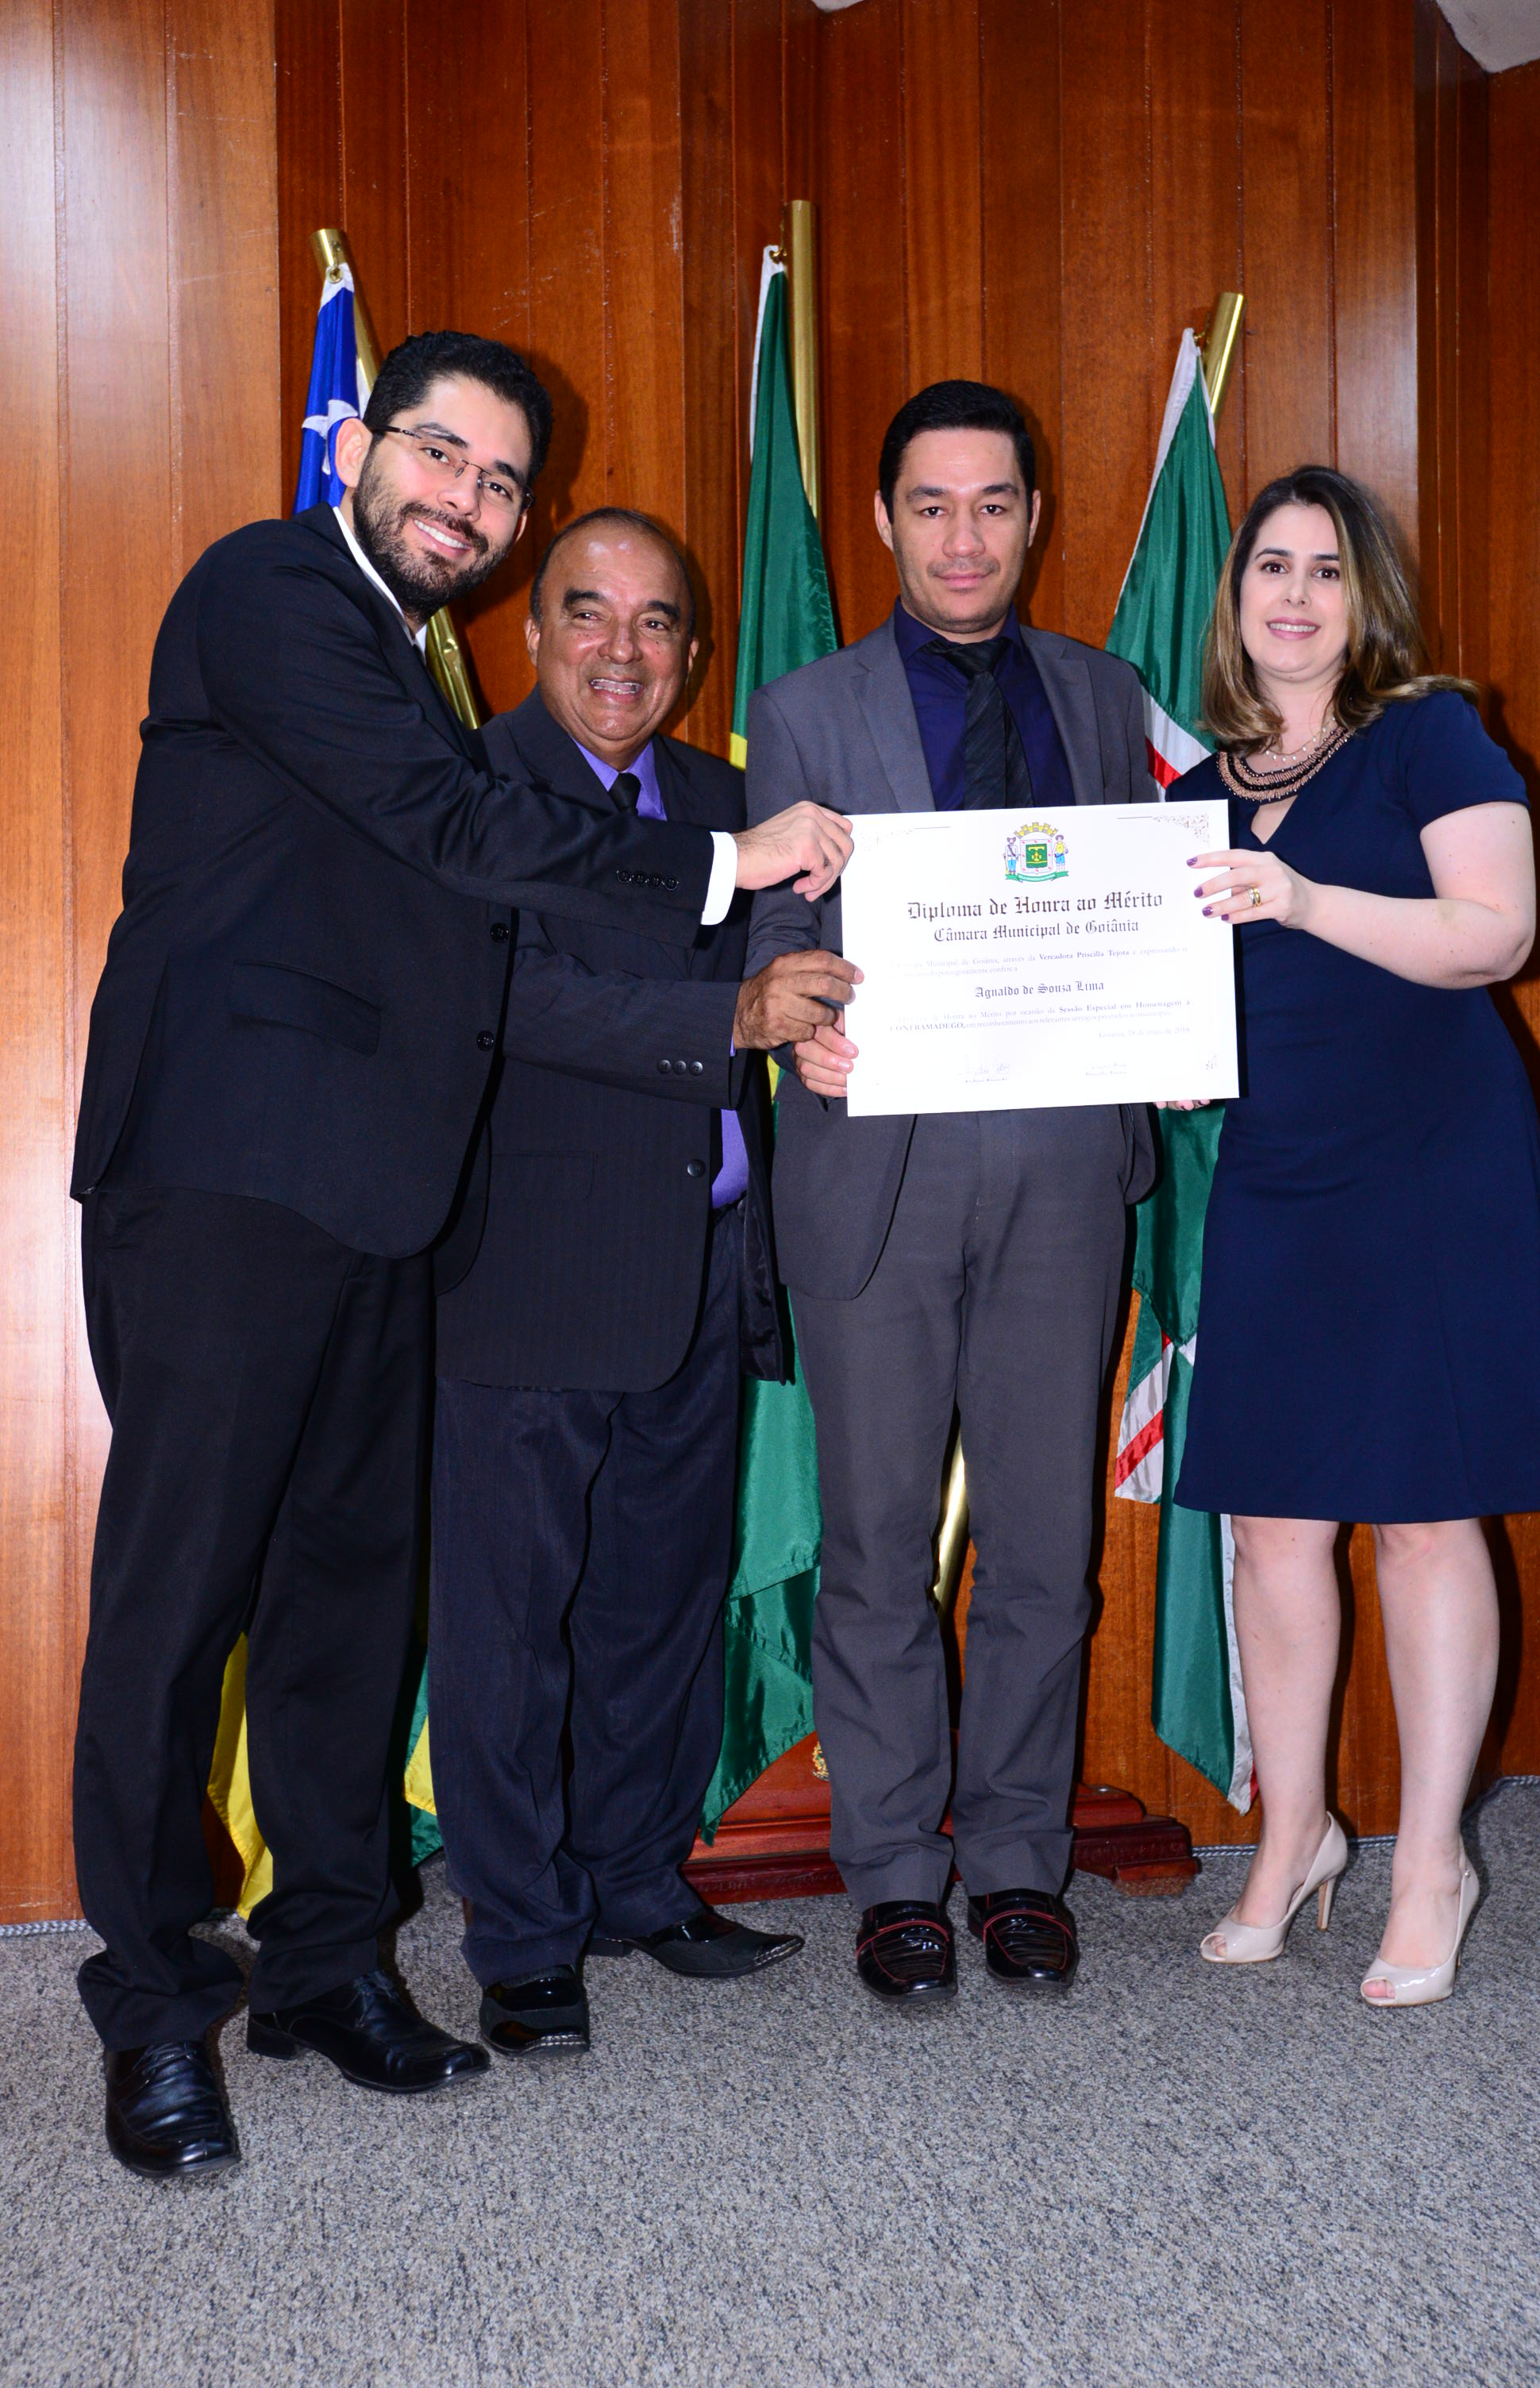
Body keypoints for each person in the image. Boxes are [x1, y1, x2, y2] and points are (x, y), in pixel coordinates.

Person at [71, 330, 850, 2180]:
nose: (467, 501)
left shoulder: (412, 669)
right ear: (354, 439)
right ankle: (156, 2004)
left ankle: (328, 1963)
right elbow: (454, 834)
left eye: (500, 480)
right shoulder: (270, 591)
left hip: (383, 1202)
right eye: (441, 455)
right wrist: (724, 865)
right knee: (179, 1604)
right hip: (225, 1177)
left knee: (346, 1603)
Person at [744, 379, 1157, 2007]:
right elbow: (774, 933)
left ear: (1034, 518)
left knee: (1046, 1540)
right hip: (880, 1165)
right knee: (874, 1542)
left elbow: (1136, 916)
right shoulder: (801, 707)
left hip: (1062, 1163)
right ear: (882, 520)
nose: (963, 537)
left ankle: (1016, 1859)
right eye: (931, 505)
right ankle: (893, 1876)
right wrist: (797, 1023)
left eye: (992, 504)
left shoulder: (1103, 693)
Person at [429, 510, 857, 2056]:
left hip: (708, 1266)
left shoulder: (736, 804)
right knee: (508, 1621)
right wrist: (730, 1019)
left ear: (690, 650)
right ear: (532, 630)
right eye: (589, 614)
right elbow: (501, 994)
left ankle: (633, 1880)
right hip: (528, 1272)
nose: (623, 649)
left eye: (656, 620)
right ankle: (520, 1931)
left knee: (660, 1602)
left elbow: (820, 971)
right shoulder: (467, 785)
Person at [1178, 464, 1540, 2007]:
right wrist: (1172, 1056)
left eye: (1326, 570)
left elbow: (1496, 931)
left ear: (1367, 599)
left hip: (1431, 1167)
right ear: (1233, 596)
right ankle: (1294, 1835)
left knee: (1423, 1514)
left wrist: (1298, 899)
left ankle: (1429, 1862)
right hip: (1277, 1173)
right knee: (1269, 1522)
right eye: (1269, 566)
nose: (1292, 595)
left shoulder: (1428, 733)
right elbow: (1184, 990)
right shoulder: (1188, 794)